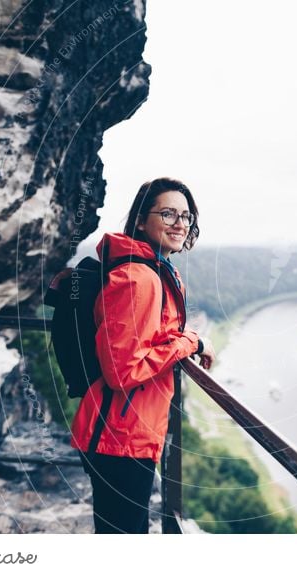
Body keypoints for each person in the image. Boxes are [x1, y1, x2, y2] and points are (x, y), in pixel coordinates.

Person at [70, 177, 216, 534]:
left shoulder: (158, 271)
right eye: (168, 214)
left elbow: (152, 336)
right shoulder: (139, 278)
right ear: (140, 220)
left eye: (186, 216)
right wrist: (190, 343)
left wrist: (184, 337)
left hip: (127, 432)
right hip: (118, 438)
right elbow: (123, 371)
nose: (180, 224)